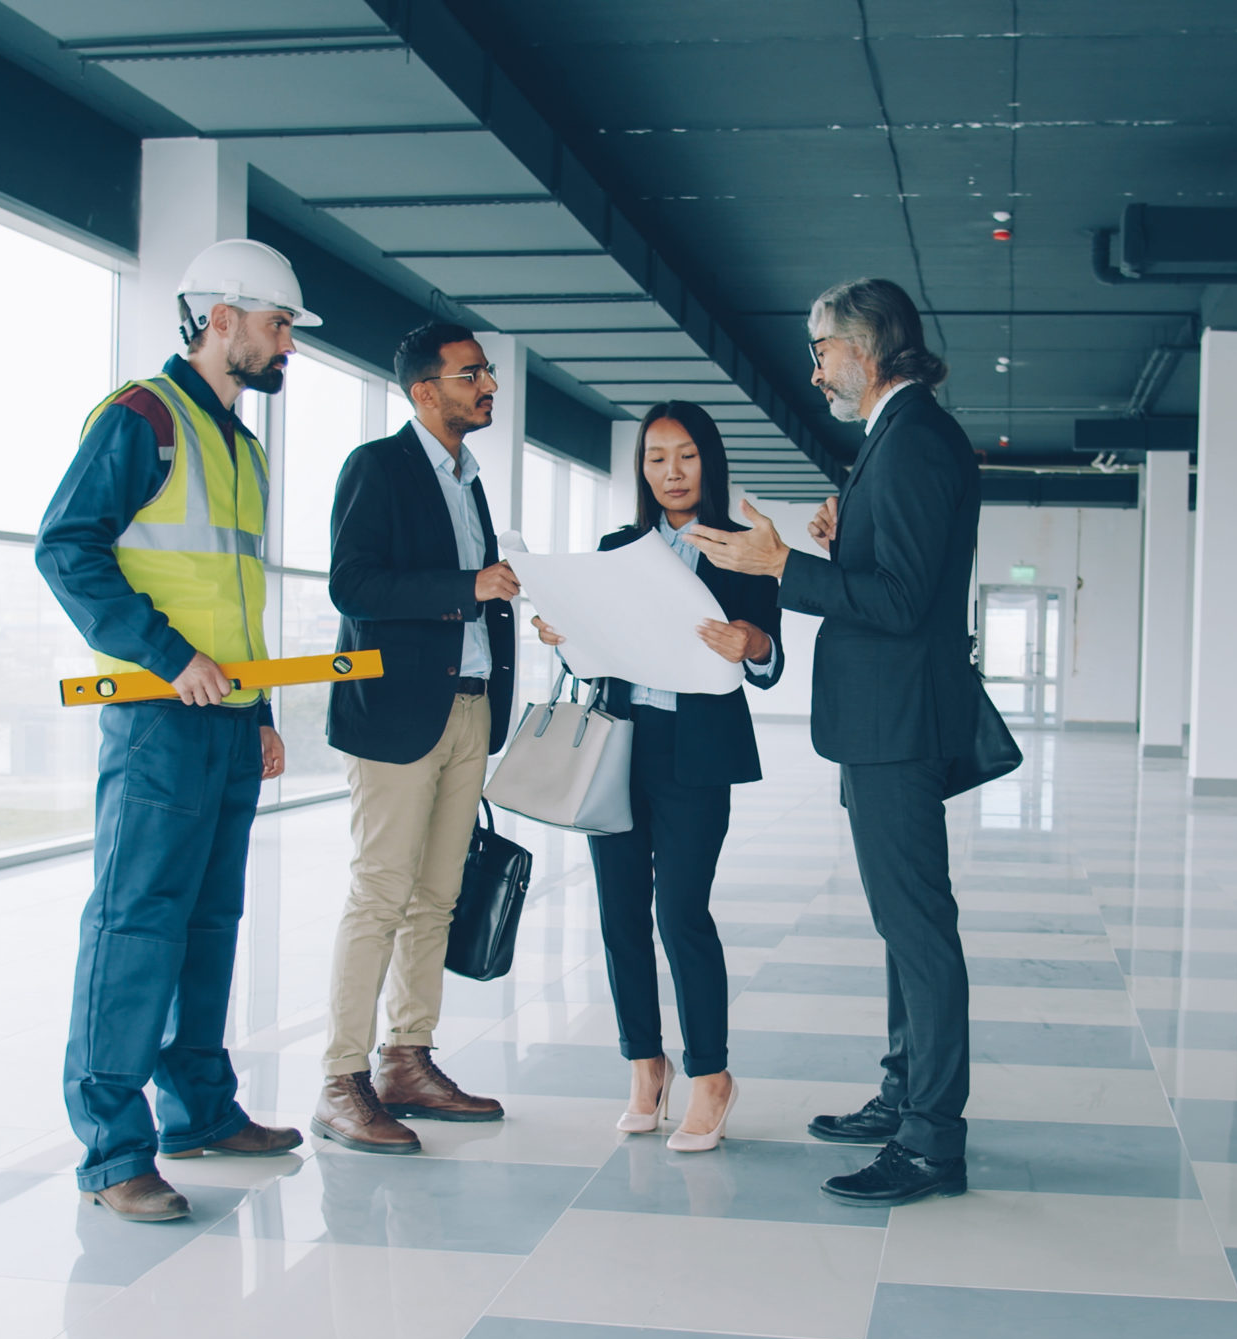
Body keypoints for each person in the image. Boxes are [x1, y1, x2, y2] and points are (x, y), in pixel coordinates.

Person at [35, 238, 315, 1221]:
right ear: (222, 318)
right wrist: (164, 656)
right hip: (158, 717)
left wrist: (262, 709)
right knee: (135, 922)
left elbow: (235, 598)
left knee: (207, 921)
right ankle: (114, 1151)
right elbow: (66, 548)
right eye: (281, 325)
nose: (288, 344)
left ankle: (199, 1109)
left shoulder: (240, 445)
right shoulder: (142, 420)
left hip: (227, 721)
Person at [688, 277, 980, 1207]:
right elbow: (899, 574)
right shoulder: (896, 440)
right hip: (882, 720)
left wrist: (785, 566)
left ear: (866, 349)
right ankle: (905, 1096)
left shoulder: (917, 441)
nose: (813, 369)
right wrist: (840, 539)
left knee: (919, 930)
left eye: (822, 350)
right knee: (905, 927)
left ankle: (932, 1140)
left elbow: (900, 604)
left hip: (896, 723)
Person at [530, 402, 783, 1152]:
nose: (670, 473)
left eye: (685, 457)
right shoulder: (618, 546)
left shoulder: (744, 547)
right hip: (619, 743)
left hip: (697, 749)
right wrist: (564, 638)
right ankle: (646, 1064)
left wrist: (750, 641)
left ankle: (711, 1076)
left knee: (680, 913)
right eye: (655, 459)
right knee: (618, 918)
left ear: (709, 462)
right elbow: (594, 655)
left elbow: (768, 660)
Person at [318, 322, 517, 1154]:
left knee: (437, 894)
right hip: (397, 714)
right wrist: (468, 586)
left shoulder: (468, 481)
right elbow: (352, 583)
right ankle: (340, 1078)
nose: (489, 386)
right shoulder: (379, 467)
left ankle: (407, 1056)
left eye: (488, 374)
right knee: (381, 893)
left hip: (468, 706)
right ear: (425, 390)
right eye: (473, 374)